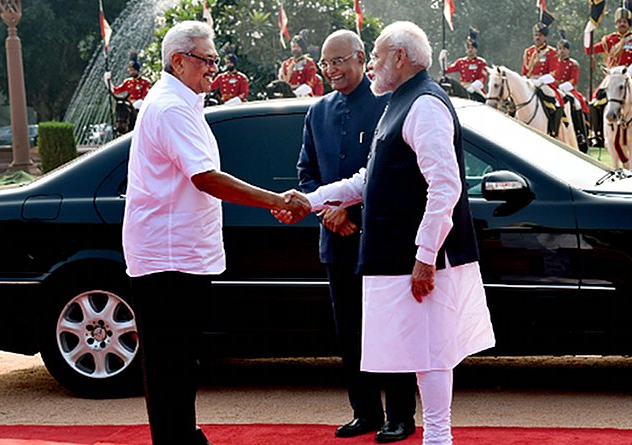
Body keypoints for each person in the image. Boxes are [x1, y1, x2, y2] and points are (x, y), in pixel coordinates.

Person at [279, 21, 495, 445]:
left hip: (414, 258)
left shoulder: (425, 105)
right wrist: (312, 200)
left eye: (375, 56)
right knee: (416, 351)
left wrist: (425, 256)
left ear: (399, 58)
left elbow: (445, 186)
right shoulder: (401, 101)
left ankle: (437, 437)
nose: (373, 64)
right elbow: (368, 178)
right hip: (396, 257)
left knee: (430, 353)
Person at [122, 21, 308, 445]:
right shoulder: (170, 107)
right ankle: (175, 438)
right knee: (171, 361)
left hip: (180, 253)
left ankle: (181, 433)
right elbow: (205, 178)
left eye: (215, 61)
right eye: (207, 61)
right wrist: (276, 200)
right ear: (179, 61)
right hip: (168, 257)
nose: (214, 70)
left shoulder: (183, 103)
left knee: (181, 359)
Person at [296, 29, 417, 442]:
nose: (331, 70)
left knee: (391, 330)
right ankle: (363, 412)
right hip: (336, 241)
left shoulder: (389, 105)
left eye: (339, 61)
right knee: (350, 332)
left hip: (381, 240)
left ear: (361, 58)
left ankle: (400, 415)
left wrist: (355, 215)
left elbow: (398, 175)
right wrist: (328, 213)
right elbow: (307, 174)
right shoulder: (318, 112)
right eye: (325, 64)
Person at [585, 6, 632, 146]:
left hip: (631, 73)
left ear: (629, 23)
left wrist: (628, 72)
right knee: (595, 102)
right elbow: (589, 51)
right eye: (619, 21)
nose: (621, 24)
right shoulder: (609, 39)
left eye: (624, 21)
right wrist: (588, 33)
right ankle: (597, 134)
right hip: (613, 76)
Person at [521, 20, 565, 138]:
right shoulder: (528, 52)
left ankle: (553, 130)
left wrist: (540, 81)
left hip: (544, 83)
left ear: (545, 37)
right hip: (529, 82)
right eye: (535, 35)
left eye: (539, 35)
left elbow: (553, 73)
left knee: (555, 101)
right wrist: (525, 80)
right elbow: (524, 72)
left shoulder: (551, 52)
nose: (537, 37)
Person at [553, 30, 590, 151]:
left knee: (576, 103)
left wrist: (562, 87)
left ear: (568, 50)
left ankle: (579, 133)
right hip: (554, 89)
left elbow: (574, 80)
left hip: (568, 89)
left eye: (564, 49)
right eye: (559, 48)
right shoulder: (554, 63)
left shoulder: (573, 64)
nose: (561, 51)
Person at [442, 28, 488, 102]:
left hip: (476, 88)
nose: (470, 50)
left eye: (472, 48)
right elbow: (446, 70)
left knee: (485, 102)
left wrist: (473, 86)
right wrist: (443, 60)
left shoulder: (480, 62)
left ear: (475, 49)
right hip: (463, 87)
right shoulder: (461, 62)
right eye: (468, 48)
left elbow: (483, 78)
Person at [279, 30, 321, 97]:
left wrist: (295, 94)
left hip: (304, 96)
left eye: (297, 47)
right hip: (287, 96)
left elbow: (309, 84)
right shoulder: (286, 64)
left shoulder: (309, 64)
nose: (295, 49)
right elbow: (282, 82)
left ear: (302, 48)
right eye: (293, 47)